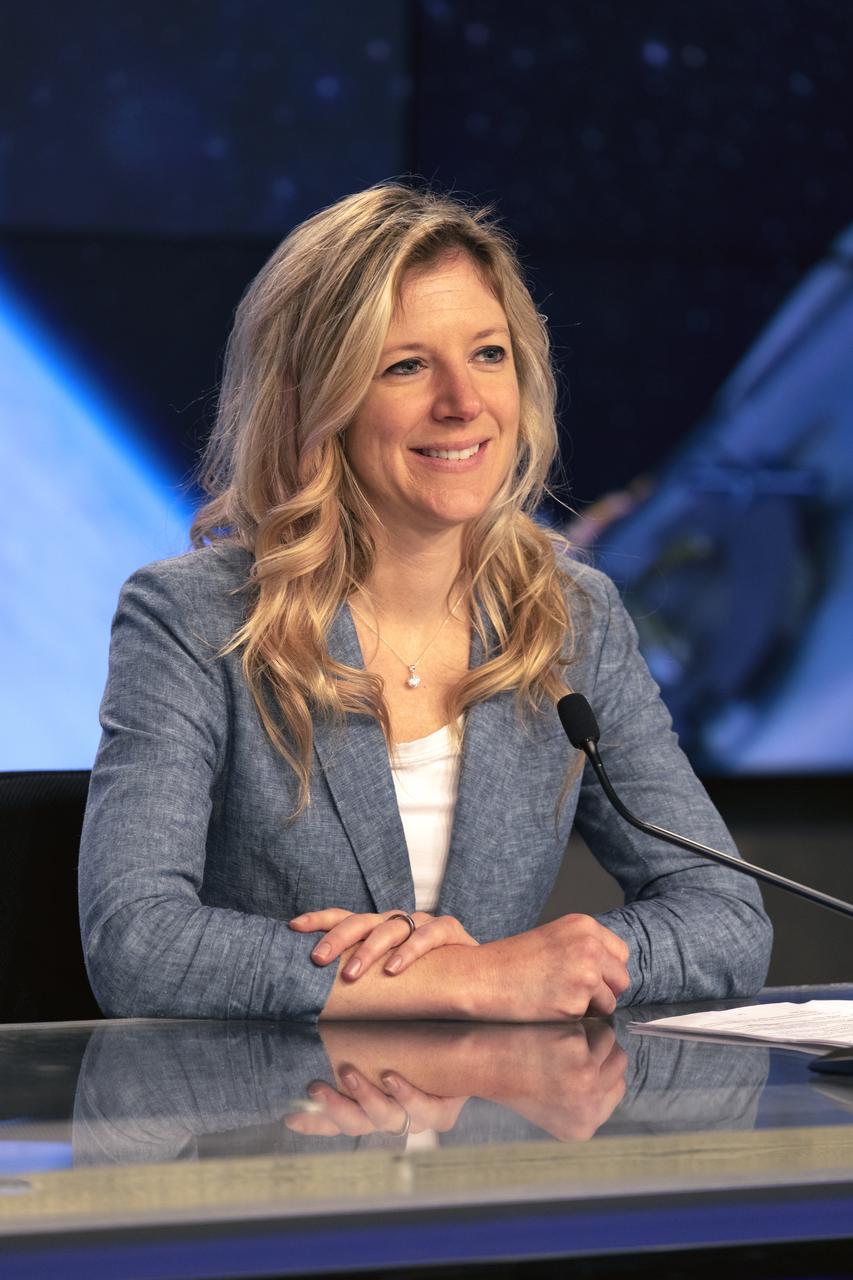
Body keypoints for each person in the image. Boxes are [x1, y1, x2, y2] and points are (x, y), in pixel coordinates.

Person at [78, 183, 772, 1022]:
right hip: (263, 1131)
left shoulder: (569, 615)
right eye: (406, 365)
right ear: (315, 396)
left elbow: (727, 918)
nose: (463, 403)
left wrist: (568, 960)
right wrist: (466, 981)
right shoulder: (192, 619)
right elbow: (136, 944)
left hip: (484, 1135)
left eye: (488, 354)